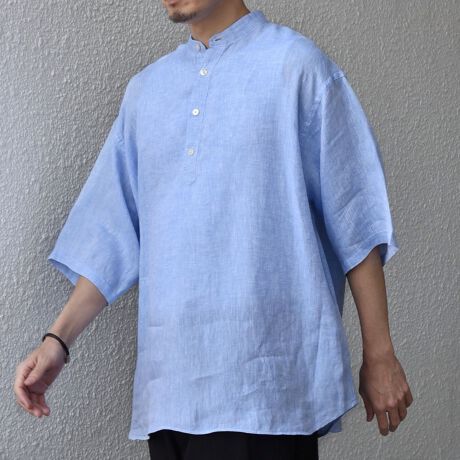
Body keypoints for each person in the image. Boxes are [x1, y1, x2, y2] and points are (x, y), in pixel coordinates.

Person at [14, 1, 413, 459]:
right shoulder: (146, 92)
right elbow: (113, 237)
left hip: (267, 388)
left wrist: (379, 353)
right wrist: (57, 341)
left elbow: (356, 221)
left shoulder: (297, 68)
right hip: (170, 391)